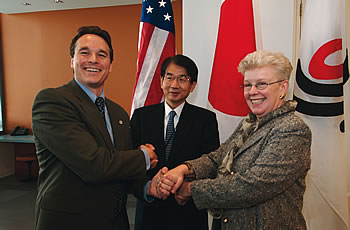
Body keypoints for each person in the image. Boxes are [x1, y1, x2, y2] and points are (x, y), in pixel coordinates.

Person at [159, 50, 312, 230]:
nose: (252, 92)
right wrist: (184, 169)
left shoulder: (292, 129)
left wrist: (191, 189)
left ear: (283, 88)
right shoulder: (250, 124)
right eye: (248, 85)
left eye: (261, 84)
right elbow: (218, 157)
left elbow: (253, 186)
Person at [32, 26, 162, 230]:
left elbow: (120, 168)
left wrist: (147, 187)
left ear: (110, 65)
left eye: (102, 55)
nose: (93, 59)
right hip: (69, 222)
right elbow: (93, 164)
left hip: (115, 222)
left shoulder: (118, 113)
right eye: (84, 52)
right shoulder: (52, 102)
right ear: (72, 61)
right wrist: (143, 156)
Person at [131, 54, 220, 230]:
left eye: (182, 79)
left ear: (192, 85)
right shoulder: (141, 116)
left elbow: (212, 163)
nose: (174, 85)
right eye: (169, 77)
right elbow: (130, 159)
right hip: (150, 209)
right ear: (161, 81)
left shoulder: (206, 119)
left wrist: (189, 187)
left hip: (188, 210)